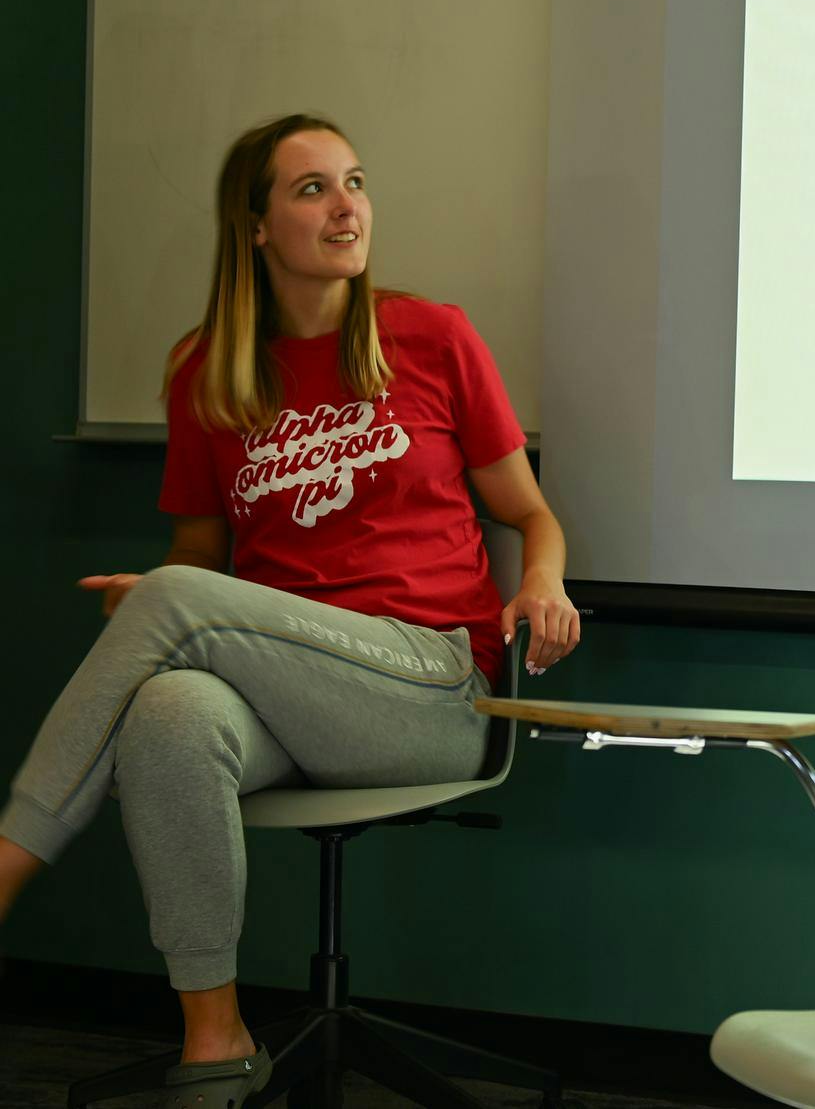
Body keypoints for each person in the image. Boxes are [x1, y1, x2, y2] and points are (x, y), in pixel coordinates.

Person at [0, 113, 579, 1105]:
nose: (346, 206)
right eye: (312, 188)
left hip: (429, 684)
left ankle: (6, 862)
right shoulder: (208, 370)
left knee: (183, 610)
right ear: (256, 224)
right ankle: (214, 1038)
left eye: (354, 182)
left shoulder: (432, 336)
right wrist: (161, 601)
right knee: (170, 712)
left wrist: (543, 579)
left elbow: (528, 512)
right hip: (280, 694)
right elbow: (198, 560)